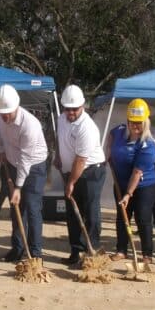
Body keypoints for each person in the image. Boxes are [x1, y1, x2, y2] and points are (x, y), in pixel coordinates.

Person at [0, 84, 48, 262]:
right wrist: (1, 150)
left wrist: (18, 187)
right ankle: (17, 249)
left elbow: (26, 159)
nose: (5, 117)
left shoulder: (30, 124)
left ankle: (35, 253)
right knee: (16, 209)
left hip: (34, 166)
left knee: (32, 208)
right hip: (12, 162)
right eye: (2, 113)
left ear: (17, 106)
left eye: (8, 113)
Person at [54, 85, 106, 265]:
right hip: (72, 171)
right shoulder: (61, 119)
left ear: (82, 106)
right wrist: (57, 155)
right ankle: (76, 252)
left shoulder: (87, 127)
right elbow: (59, 138)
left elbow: (81, 160)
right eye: (67, 109)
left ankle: (92, 253)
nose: (70, 112)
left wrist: (71, 183)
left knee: (90, 212)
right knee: (72, 213)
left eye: (74, 109)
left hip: (91, 171)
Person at [107, 99, 155, 265]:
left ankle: (147, 254)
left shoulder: (148, 146)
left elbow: (137, 172)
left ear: (146, 123)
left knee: (143, 218)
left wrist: (128, 194)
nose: (135, 126)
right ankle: (121, 250)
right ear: (127, 121)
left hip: (144, 185)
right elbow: (111, 135)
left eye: (139, 123)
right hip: (120, 182)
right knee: (122, 216)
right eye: (132, 122)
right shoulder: (119, 131)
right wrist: (109, 153)